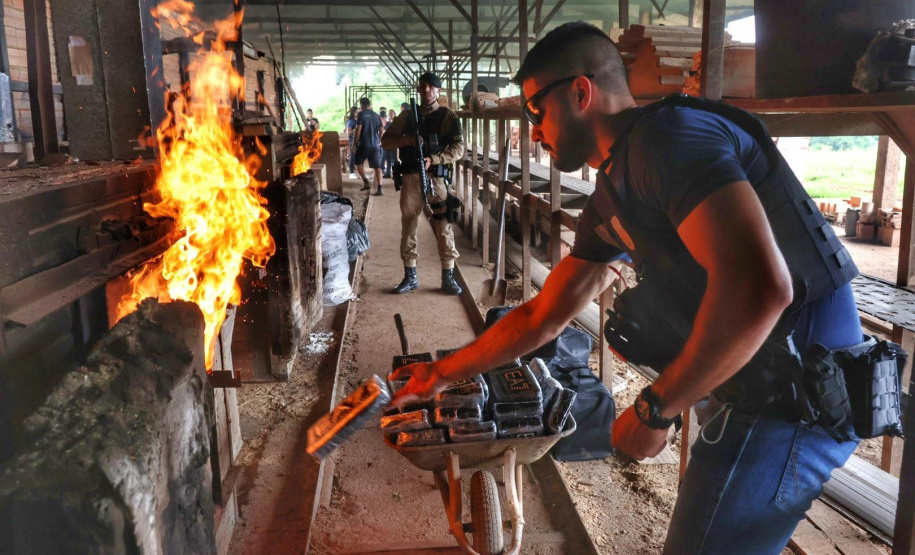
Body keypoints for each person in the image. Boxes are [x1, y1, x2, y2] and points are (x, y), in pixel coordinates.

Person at [391, 22, 864, 555]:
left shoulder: (669, 141)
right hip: (756, 382)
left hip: (800, 393)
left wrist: (655, 408)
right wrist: (438, 374)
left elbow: (759, 287)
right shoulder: (615, 192)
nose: (533, 129)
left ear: (579, 91)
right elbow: (540, 318)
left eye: (534, 111)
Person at [382, 72, 465, 295]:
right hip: (410, 177)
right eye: (423, 86)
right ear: (418, 89)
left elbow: (458, 149)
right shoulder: (407, 117)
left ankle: (448, 277)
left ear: (438, 90)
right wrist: (407, 140)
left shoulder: (448, 117)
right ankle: (410, 277)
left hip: (437, 179)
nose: (427, 90)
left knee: (443, 224)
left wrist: (434, 159)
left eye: (432, 86)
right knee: (409, 225)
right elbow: (386, 142)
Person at [353, 97, 384, 195]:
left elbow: (358, 129)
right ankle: (380, 189)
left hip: (364, 144)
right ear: (369, 104)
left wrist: (354, 143)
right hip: (375, 145)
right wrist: (379, 140)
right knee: (377, 167)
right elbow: (381, 130)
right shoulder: (376, 115)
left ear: (362, 105)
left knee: (357, 163)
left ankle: (366, 182)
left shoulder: (361, 114)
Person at [381, 110, 396, 179]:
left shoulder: (396, 122)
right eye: (389, 113)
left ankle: (396, 173)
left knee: (394, 158)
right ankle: (388, 172)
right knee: (388, 158)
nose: (390, 115)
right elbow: (383, 130)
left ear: (394, 114)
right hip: (387, 142)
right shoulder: (387, 123)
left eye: (391, 113)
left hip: (394, 142)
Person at [345, 106, 358, 178]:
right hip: (352, 140)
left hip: (358, 140)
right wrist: (356, 129)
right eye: (356, 111)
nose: (358, 113)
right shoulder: (351, 121)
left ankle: (359, 172)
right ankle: (351, 173)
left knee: (359, 156)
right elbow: (348, 132)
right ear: (353, 112)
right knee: (352, 156)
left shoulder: (358, 120)